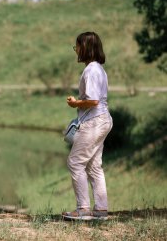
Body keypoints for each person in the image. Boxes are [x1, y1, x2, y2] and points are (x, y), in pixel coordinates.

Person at [62, 32, 113, 220]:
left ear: (86, 48)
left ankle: (83, 209)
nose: (76, 50)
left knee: (75, 162)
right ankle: (100, 210)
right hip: (103, 120)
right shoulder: (99, 69)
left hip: (94, 122)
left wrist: (75, 103)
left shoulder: (91, 70)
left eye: (77, 47)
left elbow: (92, 100)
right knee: (93, 166)